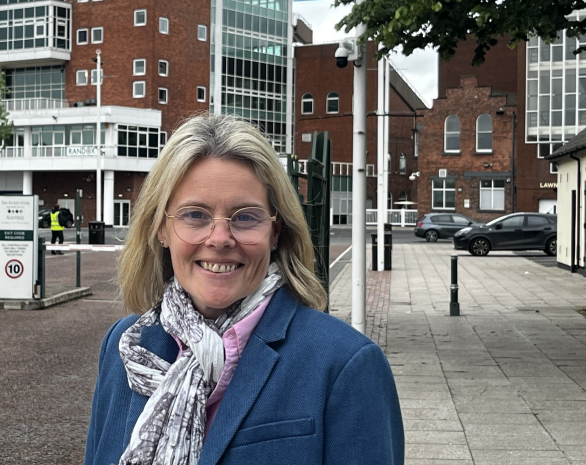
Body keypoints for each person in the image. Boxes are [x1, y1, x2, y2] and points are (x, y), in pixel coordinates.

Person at [84, 114, 403, 465]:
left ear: (276, 231)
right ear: (160, 228)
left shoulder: (344, 365)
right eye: (195, 215)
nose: (220, 239)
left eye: (246, 217)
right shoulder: (126, 346)